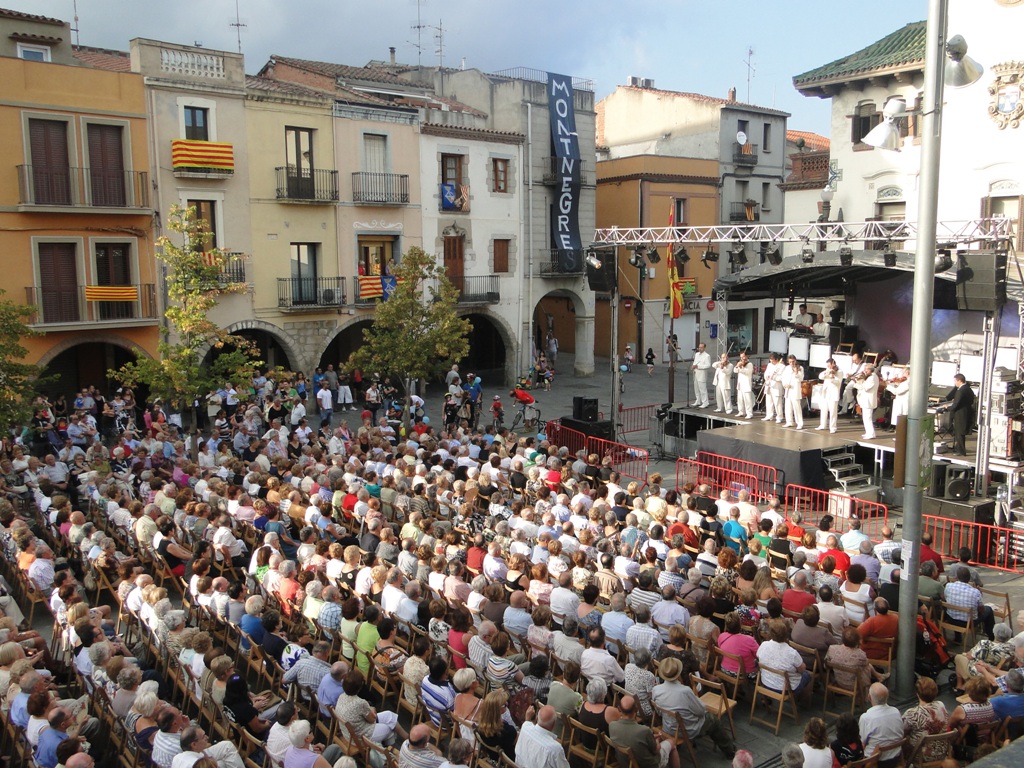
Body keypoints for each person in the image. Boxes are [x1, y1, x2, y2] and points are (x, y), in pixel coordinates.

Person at [651, 656, 735, 757]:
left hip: (668, 727)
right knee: (714, 721)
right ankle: (730, 751)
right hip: (688, 729)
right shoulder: (684, 691)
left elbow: (659, 712)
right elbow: (700, 711)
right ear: (678, 674)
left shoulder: (656, 690)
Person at [607, 695, 680, 768]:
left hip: (627, 764)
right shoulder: (644, 730)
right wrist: (657, 740)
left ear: (619, 709)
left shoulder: (612, 726)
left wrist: (653, 737)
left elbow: (634, 738)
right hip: (649, 765)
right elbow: (656, 750)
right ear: (636, 709)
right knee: (672, 742)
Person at [901, 677, 950, 765]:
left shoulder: (912, 714)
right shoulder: (941, 705)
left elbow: (900, 734)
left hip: (921, 755)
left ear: (917, 694)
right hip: (942, 752)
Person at [859, 683, 905, 768]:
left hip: (874, 762)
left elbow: (862, 742)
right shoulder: (896, 711)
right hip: (895, 758)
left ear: (869, 697)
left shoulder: (866, 717)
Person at [941, 373, 975, 455]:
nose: (955, 383)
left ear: (959, 381)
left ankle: (961, 451)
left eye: (955, 381)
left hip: (960, 414)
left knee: (959, 433)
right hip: (966, 412)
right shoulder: (968, 389)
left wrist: (947, 407)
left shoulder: (960, 391)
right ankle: (958, 448)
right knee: (960, 432)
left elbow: (956, 404)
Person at [854, 365, 879, 439]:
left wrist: (857, 383)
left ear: (871, 370)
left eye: (866, 370)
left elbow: (866, 388)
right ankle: (869, 432)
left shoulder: (873, 377)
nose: (865, 371)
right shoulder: (870, 377)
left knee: (867, 418)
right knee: (865, 418)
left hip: (868, 401)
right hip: (866, 400)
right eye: (865, 369)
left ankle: (871, 434)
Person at [816, 358, 841, 434]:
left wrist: (832, 377)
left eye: (829, 366)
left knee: (833, 411)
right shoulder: (827, 370)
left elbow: (838, 382)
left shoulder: (839, 371)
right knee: (823, 409)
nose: (829, 367)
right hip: (826, 393)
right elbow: (820, 376)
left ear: (833, 364)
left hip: (833, 393)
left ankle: (833, 427)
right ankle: (822, 425)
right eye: (827, 366)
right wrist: (827, 373)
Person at [781, 355, 804, 430]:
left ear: (795, 360)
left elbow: (801, 378)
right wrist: (784, 384)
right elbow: (783, 377)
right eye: (790, 362)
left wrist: (796, 372)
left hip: (795, 390)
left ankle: (799, 423)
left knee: (797, 407)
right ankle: (789, 422)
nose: (792, 363)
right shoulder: (787, 368)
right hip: (788, 390)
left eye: (793, 361)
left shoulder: (800, 368)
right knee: (788, 407)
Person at [762, 352, 784, 424]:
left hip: (776, 387)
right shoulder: (769, 365)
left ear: (777, 359)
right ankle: (769, 415)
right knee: (769, 401)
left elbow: (781, 378)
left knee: (777, 403)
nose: (771, 362)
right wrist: (767, 377)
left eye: (772, 360)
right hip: (769, 385)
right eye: (770, 360)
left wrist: (774, 377)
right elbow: (766, 373)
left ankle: (779, 417)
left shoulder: (782, 366)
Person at [734, 352, 755, 419]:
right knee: (740, 399)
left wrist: (741, 367)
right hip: (740, 384)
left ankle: (749, 413)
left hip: (746, 384)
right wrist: (737, 366)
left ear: (746, 356)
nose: (742, 358)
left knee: (747, 400)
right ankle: (741, 411)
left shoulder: (749, 364)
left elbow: (747, 372)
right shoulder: (740, 363)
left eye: (743, 357)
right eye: (741, 357)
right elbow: (735, 370)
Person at [691, 343, 711, 409]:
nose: (700, 348)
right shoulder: (696, 354)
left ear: (704, 348)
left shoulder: (707, 356)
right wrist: (693, 366)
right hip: (696, 373)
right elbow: (695, 362)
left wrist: (698, 366)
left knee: (702, 389)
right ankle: (698, 400)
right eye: (699, 347)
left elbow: (708, 365)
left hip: (702, 374)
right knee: (696, 388)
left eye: (701, 347)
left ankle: (705, 402)